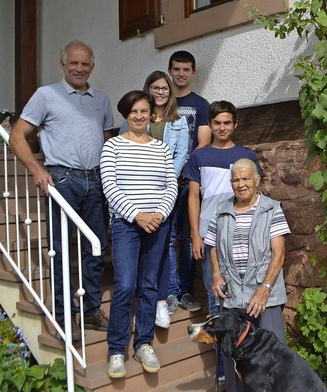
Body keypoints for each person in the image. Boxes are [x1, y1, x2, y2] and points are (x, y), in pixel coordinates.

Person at [9, 40, 113, 341]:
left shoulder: (101, 99)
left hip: (95, 180)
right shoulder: (46, 95)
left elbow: (107, 144)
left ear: (92, 66)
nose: (79, 68)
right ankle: (64, 315)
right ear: (63, 65)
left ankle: (92, 310)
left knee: (96, 248)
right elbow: (17, 135)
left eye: (85, 64)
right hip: (62, 180)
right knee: (61, 249)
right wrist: (37, 169)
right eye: (74, 63)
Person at [102, 90, 178, 378]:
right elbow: (110, 187)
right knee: (124, 286)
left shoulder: (160, 148)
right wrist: (138, 215)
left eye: (144, 111)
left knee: (148, 286)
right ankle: (117, 349)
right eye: (133, 111)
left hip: (157, 224)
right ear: (126, 114)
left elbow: (172, 184)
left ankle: (143, 343)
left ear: (151, 114)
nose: (139, 116)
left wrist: (158, 214)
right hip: (126, 225)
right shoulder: (113, 147)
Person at [183, 100, 261, 382]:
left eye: (227, 123)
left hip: (242, 237)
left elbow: (254, 196)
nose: (222, 128)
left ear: (235, 124)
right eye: (217, 123)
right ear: (210, 125)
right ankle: (222, 372)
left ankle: (246, 367)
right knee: (217, 303)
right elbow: (193, 197)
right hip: (209, 234)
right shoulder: (199, 156)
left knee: (244, 299)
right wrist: (195, 235)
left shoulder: (247, 155)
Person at [206, 158, 291, 392]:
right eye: (235, 179)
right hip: (231, 296)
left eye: (245, 178)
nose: (240, 184)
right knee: (234, 359)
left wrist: (264, 289)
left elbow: (279, 254)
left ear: (257, 180)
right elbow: (212, 245)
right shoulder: (221, 210)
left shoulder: (271, 208)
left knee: (271, 360)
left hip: (265, 298)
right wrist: (216, 275)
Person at [119, 71, 190, 329]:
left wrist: (165, 189)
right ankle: (141, 306)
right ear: (147, 89)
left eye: (164, 88)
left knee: (164, 247)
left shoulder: (178, 122)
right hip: (135, 198)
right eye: (155, 87)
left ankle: (160, 300)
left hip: (165, 195)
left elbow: (181, 155)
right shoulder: (136, 117)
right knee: (135, 258)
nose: (160, 92)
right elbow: (123, 157)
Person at [165, 50, 211, 314]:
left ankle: (184, 290)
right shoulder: (160, 101)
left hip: (187, 182)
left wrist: (186, 174)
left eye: (186, 69)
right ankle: (169, 291)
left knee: (186, 235)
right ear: (169, 71)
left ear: (193, 72)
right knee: (167, 238)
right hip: (160, 182)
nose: (181, 74)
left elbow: (202, 143)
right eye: (176, 69)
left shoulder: (200, 105)